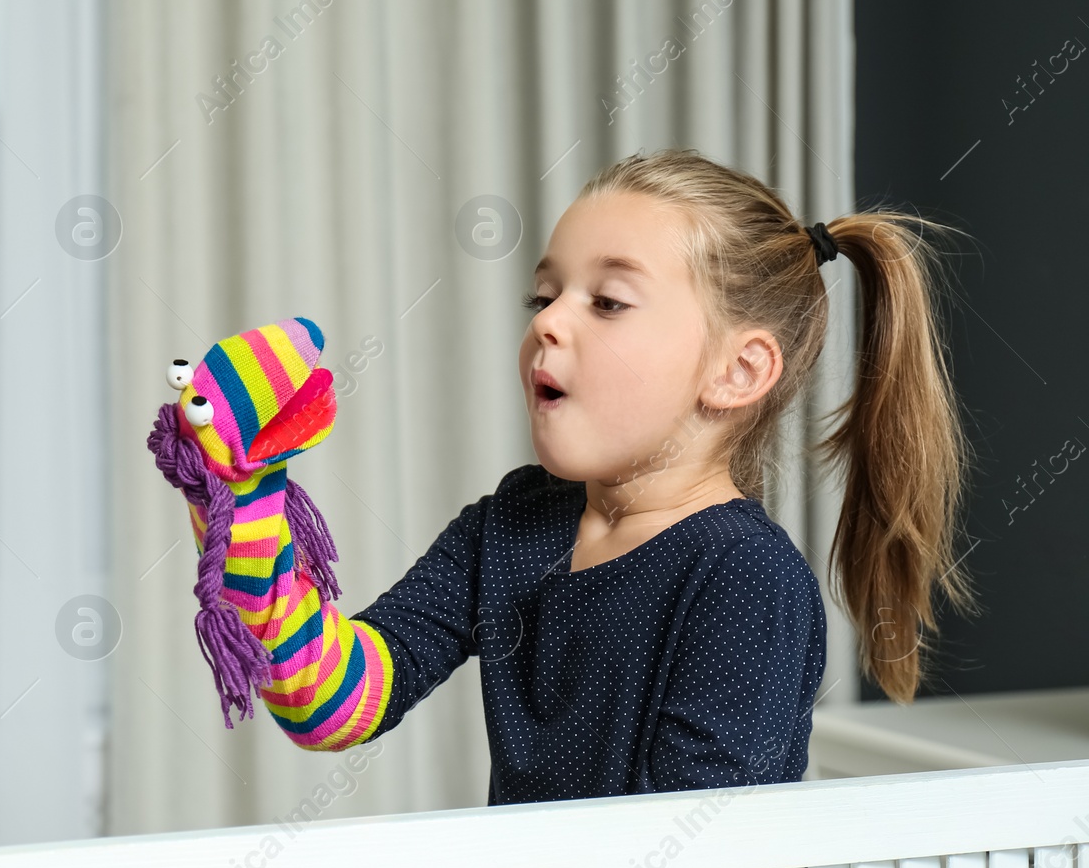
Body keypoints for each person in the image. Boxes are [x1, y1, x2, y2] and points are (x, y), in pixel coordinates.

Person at [149, 147, 974, 804]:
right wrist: (243, 491)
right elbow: (330, 699)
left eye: (606, 301)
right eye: (542, 296)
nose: (547, 320)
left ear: (736, 371)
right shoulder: (511, 523)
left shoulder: (744, 579)